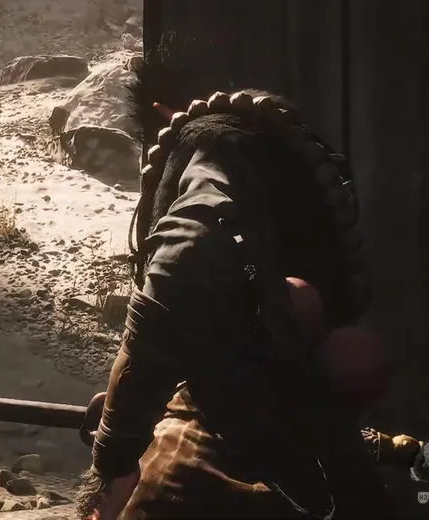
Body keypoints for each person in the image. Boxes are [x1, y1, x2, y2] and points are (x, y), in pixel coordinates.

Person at [79, 38, 390, 519]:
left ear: (163, 114)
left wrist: (116, 456)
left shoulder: (210, 146)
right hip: (327, 456)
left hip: (221, 455)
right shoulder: (291, 155)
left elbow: (178, 270)